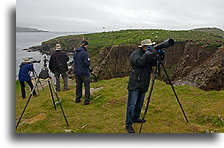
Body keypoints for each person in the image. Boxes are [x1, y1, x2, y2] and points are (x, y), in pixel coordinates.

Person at [125, 39, 158, 133]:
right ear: (143, 47)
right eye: (148, 47)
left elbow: (154, 62)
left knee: (140, 103)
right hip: (135, 83)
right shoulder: (135, 54)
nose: (149, 48)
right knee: (132, 105)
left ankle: (136, 118)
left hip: (144, 82)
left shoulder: (147, 53)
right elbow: (138, 62)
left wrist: (159, 55)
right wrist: (149, 54)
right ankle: (128, 124)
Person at [73, 40, 91, 105]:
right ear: (86, 45)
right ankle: (87, 100)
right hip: (84, 72)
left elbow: (74, 61)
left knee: (78, 86)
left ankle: (77, 99)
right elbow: (87, 63)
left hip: (77, 72)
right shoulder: (85, 53)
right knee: (86, 86)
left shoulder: (75, 52)